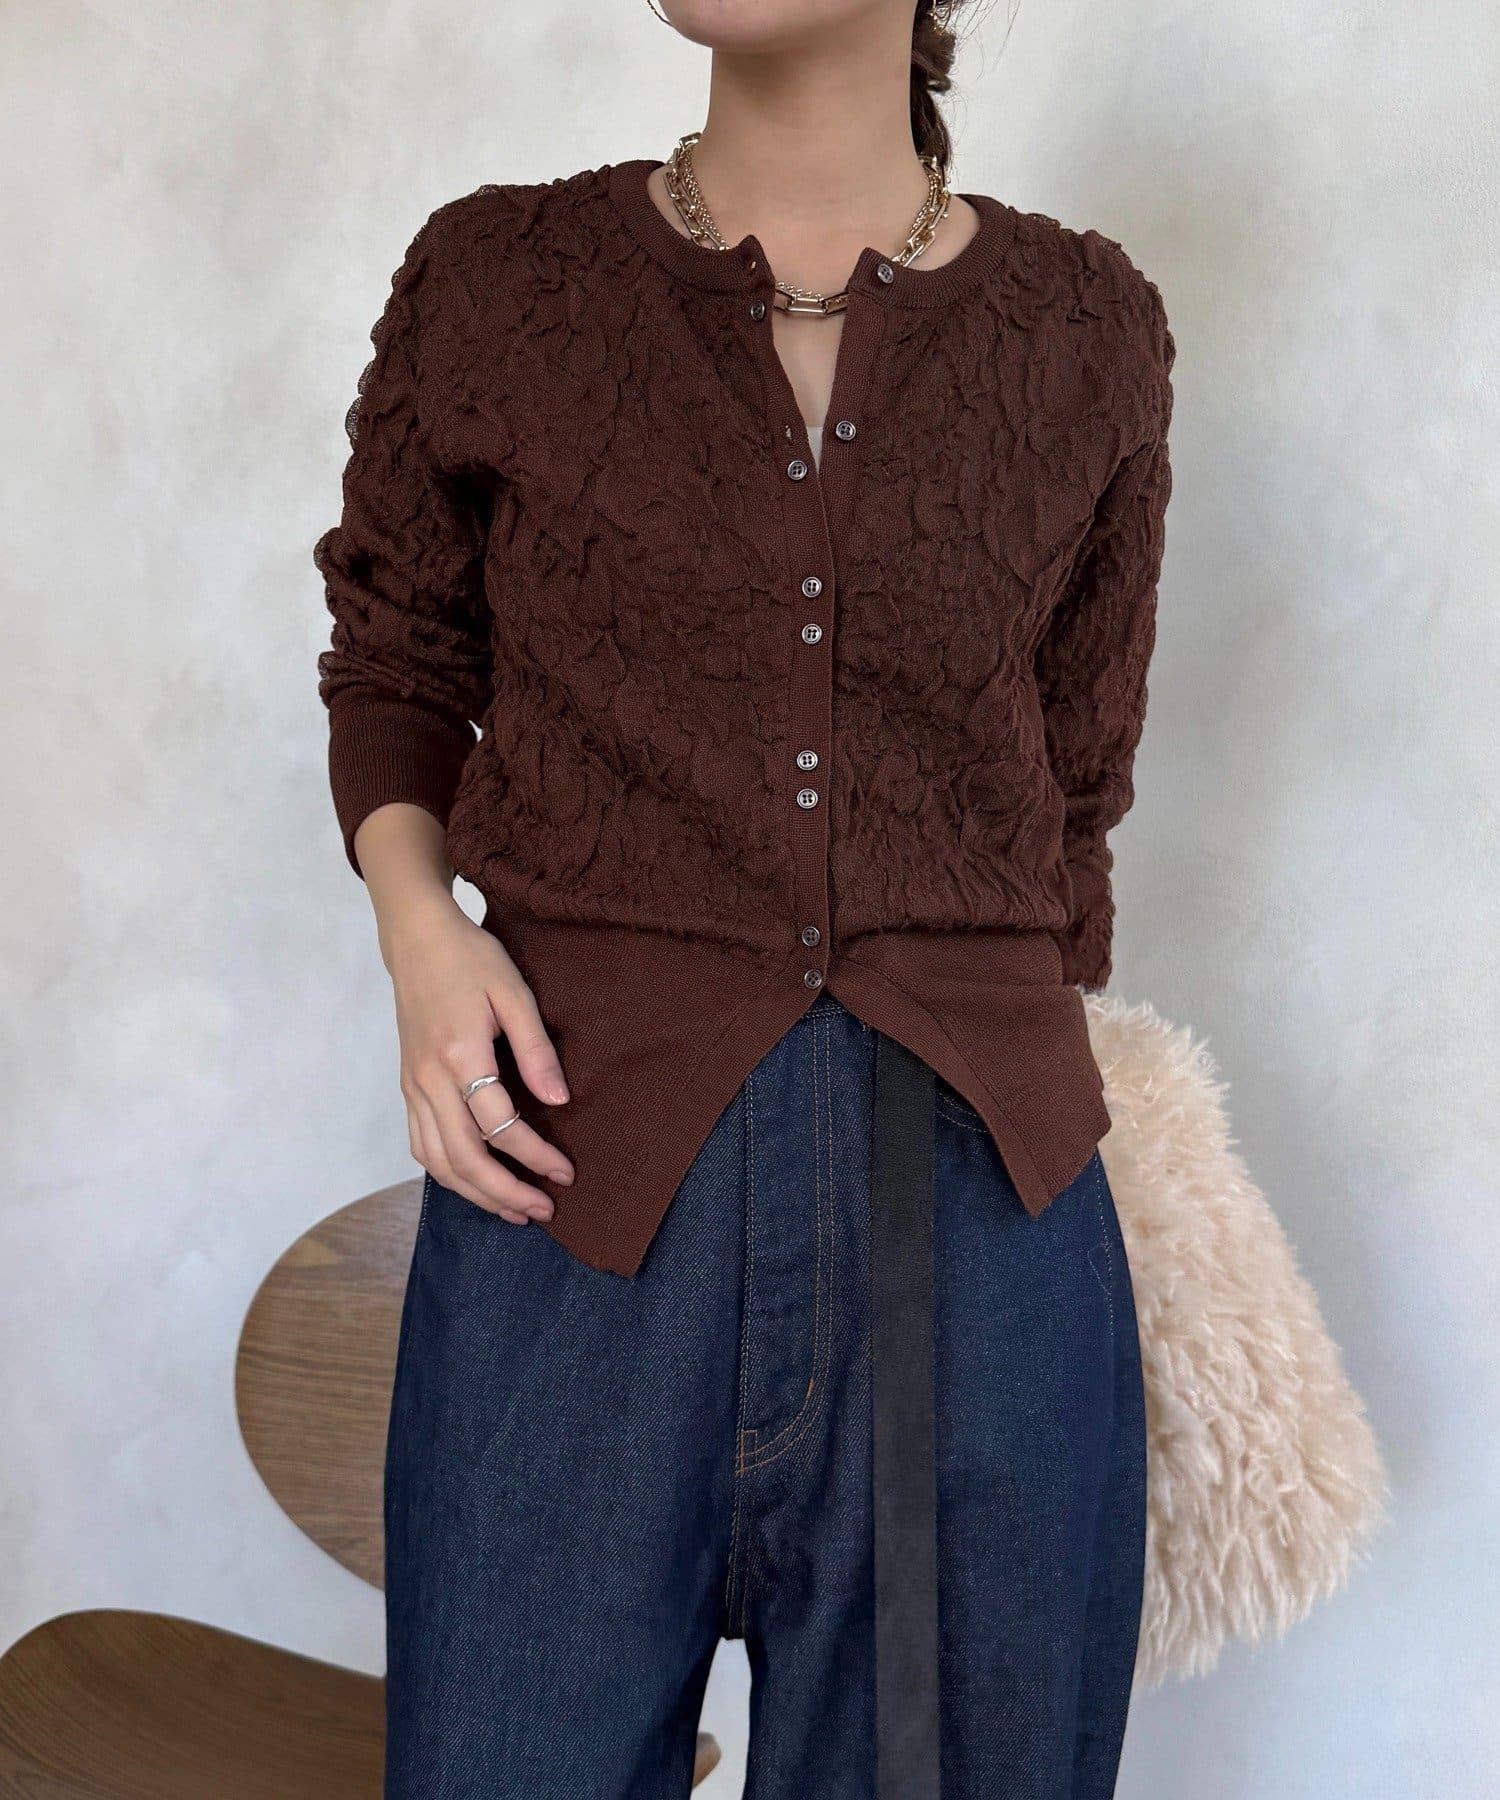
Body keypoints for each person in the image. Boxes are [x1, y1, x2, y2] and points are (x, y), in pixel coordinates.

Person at [314, 0, 1174, 1793]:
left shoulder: (1087, 324)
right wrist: (420, 931)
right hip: (578, 1177)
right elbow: (397, 656)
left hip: (976, 1230)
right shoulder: (503, 279)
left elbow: (1073, 787)